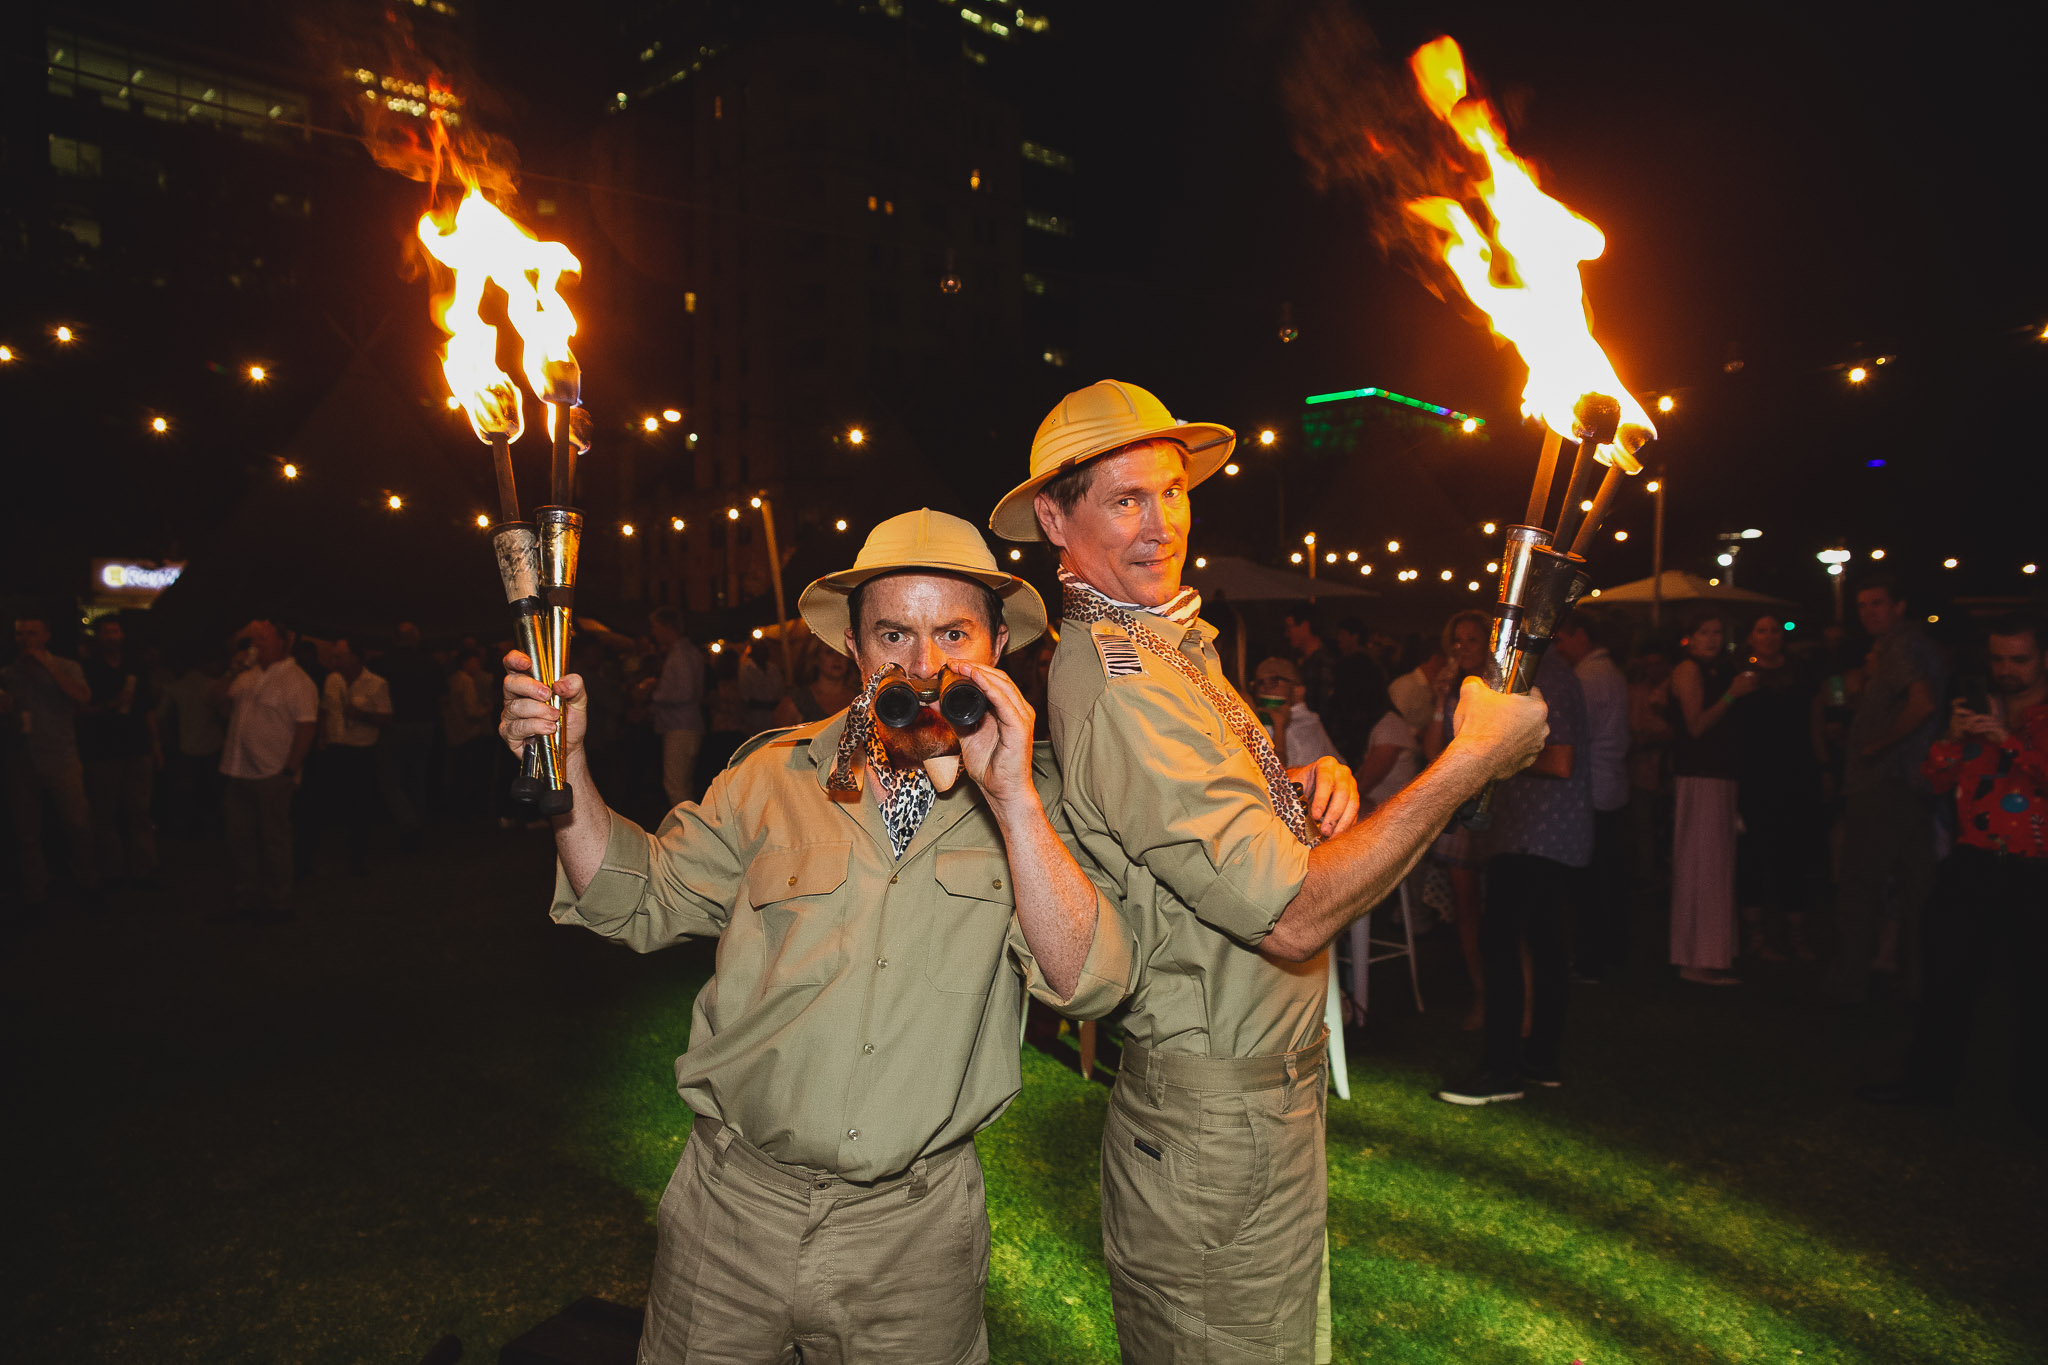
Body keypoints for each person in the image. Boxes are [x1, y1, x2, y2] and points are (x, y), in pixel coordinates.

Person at [991, 379, 1547, 1362]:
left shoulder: (1162, 651)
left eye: (1171, 491)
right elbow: (1288, 916)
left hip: (1248, 1109)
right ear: (1053, 518)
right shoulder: (1123, 680)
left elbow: (1182, 822)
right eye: (1124, 500)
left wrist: (1297, 786)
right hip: (1217, 1124)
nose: (1161, 523)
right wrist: (1463, 762)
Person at [502, 508, 1134, 1362]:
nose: (923, 664)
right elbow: (634, 899)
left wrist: (1014, 798)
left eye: (953, 632)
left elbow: (1087, 980)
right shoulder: (769, 775)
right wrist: (570, 767)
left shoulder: (1042, 804)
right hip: (731, 1214)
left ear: (997, 648)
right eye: (893, 634)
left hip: (916, 1237)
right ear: (854, 650)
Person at [1859, 613, 2048, 1129]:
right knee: (1947, 975)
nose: (2006, 669)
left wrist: (2006, 737)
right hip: (1973, 861)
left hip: (2035, 870)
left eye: (2020, 659)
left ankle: (2033, 1101)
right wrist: (1952, 738)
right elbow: (1934, 781)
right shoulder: (1980, 708)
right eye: (1998, 658)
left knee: (2035, 989)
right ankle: (1928, 1084)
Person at [1443, 645, 1590, 1103]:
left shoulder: (1548, 675)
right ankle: (1540, 1062)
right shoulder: (1549, 671)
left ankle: (1501, 1072)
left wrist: (1490, 755)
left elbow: (1560, 760)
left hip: (1536, 834)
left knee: (1501, 943)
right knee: (1546, 947)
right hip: (1537, 835)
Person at [1829, 573, 1944, 1002]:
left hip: (1887, 783)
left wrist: (1877, 744)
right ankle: (1914, 981)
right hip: (1914, 782)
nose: (1868, 613)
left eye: (1877, 603)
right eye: (1862, 606)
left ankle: (1849, 984)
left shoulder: (1902, 645)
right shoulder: (1906, 647)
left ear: (1899, 606)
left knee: (1859, 886)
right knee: (1915, 889)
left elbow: (1922, 702)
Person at [1730, 613, 1824, 961]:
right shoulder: (1740, 673)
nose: (1769, 637)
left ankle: (1797, 935)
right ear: (1751, 637)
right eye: (1761, 631)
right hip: (1755, 774)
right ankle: (1756, 937)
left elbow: (1814, 719)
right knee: (1752, 854)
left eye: (1774, 630)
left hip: (1795, 773)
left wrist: (1821, 763)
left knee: (1793, 854)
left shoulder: (1800, 671)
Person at [1666, 608, 1752, 985]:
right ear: (1690, 636)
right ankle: (1696, 958)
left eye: (1718, 631)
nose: (1712, 639)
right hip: (1701, 778)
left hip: (1719, 777)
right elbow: (1696, 724)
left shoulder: (1717, 669)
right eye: (1705, 632)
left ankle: (1711, 953)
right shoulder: (1689, 670)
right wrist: (1733, 696)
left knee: (1716, 865)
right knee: (1702, 865)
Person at [216, 620, 318, 920]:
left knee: (275, 839)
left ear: (283, 643)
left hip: (272, 772)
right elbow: (217, 701)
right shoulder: (247, 676)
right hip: (238, 771)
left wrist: (289, 769)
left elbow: (306, 727)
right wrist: (232, 670)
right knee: (239, 838)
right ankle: (245, 899)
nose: (257, 643)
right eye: (253, 639)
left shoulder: (297, 680)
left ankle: (279, 903)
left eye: (264, 637)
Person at [1424, 608, 1496, 1027]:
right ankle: (1481, 994)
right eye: (1457, 640)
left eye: (1471, 639)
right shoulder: (1452, 692)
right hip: (1460, 805)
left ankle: (1512, 997)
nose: (1462, 648)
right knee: (1467, 907)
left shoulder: (1494, 690)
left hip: (1495, 806)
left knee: (1501, 906)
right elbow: (1433, 752)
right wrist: (1438, 702)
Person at [1554, 611, 1631, 982]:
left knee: (1589, 882)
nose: (1559, 648)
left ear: (1580, 636)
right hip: (1611, 784)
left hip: (1593, 789)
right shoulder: (1609, 672)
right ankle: (1611, 951)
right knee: (1607, 878)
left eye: (1563, 639)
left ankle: (1592, 959)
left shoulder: (1588, 677)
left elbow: (1573, 738)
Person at [1, 615, 100, 905]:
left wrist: (47, 665)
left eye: (32, 633)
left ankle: (88, 881)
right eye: (20, 634)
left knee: (77, 823)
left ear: (46, 636)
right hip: (22, 759)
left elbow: (82, 697)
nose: (25, 639)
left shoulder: (67, 666)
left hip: (61, 756)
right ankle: (35, 890)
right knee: (26, 831)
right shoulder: (9, 673)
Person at [78, 616, 161, 886]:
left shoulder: (134, 667)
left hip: (137, 747)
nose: (111, 636)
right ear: (98, 637)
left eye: (115, 631)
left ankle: (143, 868)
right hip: (102, 750)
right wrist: (110, 705)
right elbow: (80, 709)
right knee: (104, 812)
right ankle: (111, 870)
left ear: (122, 635)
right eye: (106, 632)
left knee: (140, 810)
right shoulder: (88, 668)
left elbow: (148, 709)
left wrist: (155, 744)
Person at [318, 639, 392, 874]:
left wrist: (361, 715)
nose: (335, 660)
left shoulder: (376, 683)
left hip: (361, 751)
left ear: (355, 657)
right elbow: (325, 710)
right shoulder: (332, 680)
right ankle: (336, 851)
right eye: (334, 656)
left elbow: (387, 718)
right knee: (338, 802)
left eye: (340, 655)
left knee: (359, 804)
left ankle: (358, 856)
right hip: (335, 748)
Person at [380, 621, 444, 846]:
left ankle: (411, 825)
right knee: (416, 777)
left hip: (397, 725)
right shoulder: (428, 663)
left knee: (393, 780)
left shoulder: (385, 663)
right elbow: (440, 692)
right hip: (422, 725)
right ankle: (415, 822)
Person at [645, 607, 705, 809]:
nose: (653, 632)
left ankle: (688, 836)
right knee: (681, 785)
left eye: (655, 627)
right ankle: (690, 834)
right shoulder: (688, 652)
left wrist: (655, 695)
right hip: (686, 725)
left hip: (681, 726)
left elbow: (685, 692)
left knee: (676, 786)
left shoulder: (681, 654)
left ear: (665, 627)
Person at [1251, 656, 1344, 767]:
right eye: (1259, 682)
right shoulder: (1257, 720)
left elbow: (1276, 774)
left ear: (1298, 691)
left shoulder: (1302, 724)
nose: (1264, 688)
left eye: (1273, 680)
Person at [1329, 617, 1391, 767]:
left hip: (1355, 732)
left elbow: (1350, 700)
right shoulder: (1372, 662)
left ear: (1355, 637)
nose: (1338, 639)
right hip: (1362, 729)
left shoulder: (1355, 663)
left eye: (1342, 634)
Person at [772, 630, 861, 728]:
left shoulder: (862, 699)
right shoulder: (796, 702)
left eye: (842, 652)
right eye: (829, 652)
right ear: (816, 658)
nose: (837, 658)